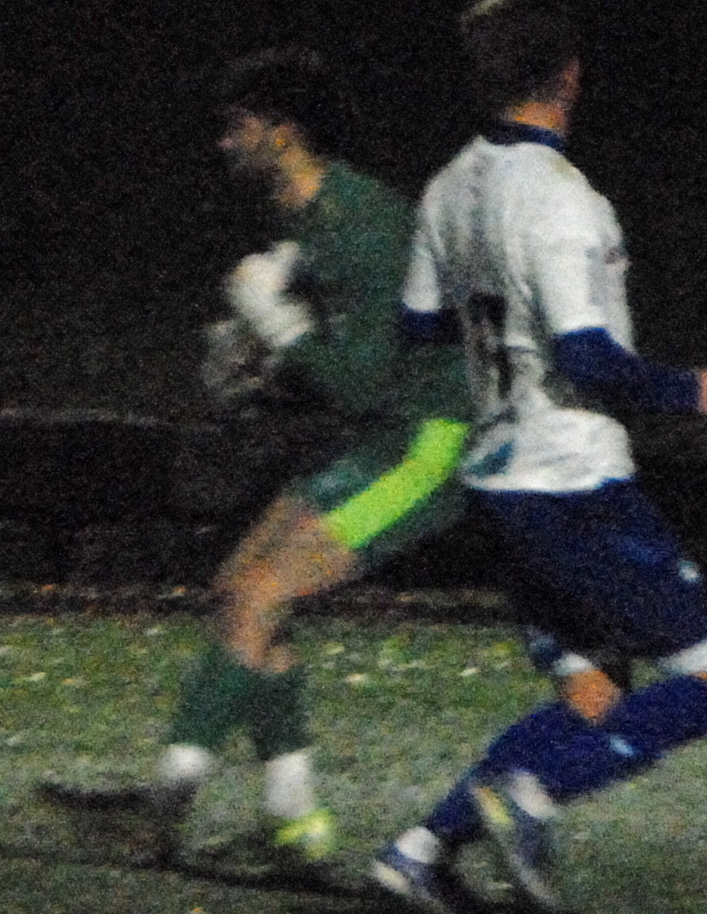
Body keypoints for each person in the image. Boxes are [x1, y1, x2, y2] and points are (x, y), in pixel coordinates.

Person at [370, 0, 707, 914]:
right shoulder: (565, 201)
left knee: (591, 694)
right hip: (573, 482)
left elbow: (418, 328)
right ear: (570, 76)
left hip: (498, 484)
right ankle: (530, 799)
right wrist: (691, 390)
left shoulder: (449, 186)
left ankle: (419, 853)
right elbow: (587, 358)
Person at [51, 48, 474, 870]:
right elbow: (350, 369)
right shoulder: (310, 218)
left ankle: (164, 808)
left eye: (237, 126)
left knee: (256, 595)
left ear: (283, 132)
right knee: (241, 591)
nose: (224, 143)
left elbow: (361, 380)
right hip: (388, 436)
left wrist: (279, 329)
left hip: (429, 447)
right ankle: (294, 824)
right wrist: (263, 365)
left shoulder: (359, 225)